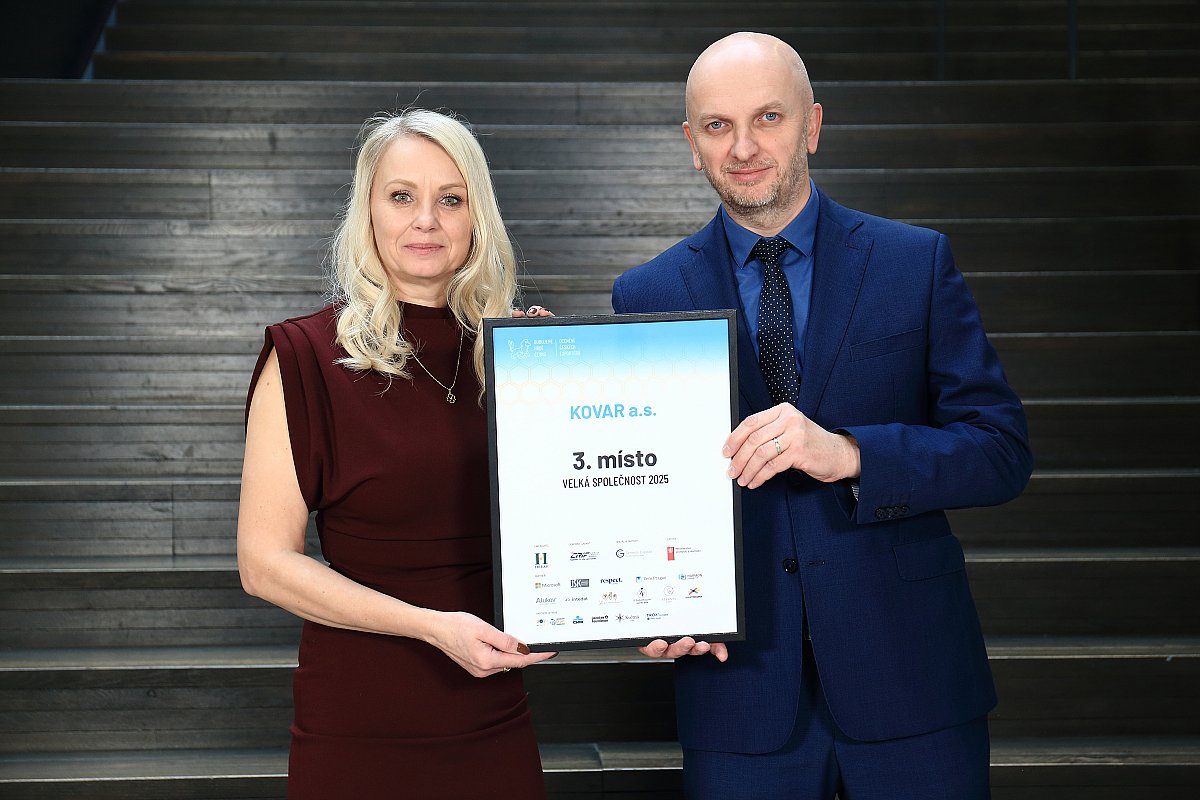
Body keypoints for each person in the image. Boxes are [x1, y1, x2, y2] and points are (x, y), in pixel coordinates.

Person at [612, 33, 1033, 799]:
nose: (744, 147)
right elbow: (642, 482)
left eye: (768, 117)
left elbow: (1000, 450)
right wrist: (646, 598)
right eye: (718, 125)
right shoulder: (646, 294)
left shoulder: (913, 263)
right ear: (691, 144)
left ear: (811, 125)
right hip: (739, 693)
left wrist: (851, 454)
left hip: (913, 681)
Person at [237, 108, 554, 799]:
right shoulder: (304, 356)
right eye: (402, 196)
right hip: (360, 723)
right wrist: (430, 628)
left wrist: (558, 390)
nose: (427, 221)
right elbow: (264, 565)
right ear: (369, 212)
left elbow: (573, 512)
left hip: (491, 715)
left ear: (477, 216)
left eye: (451, 199)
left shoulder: (521, 354)